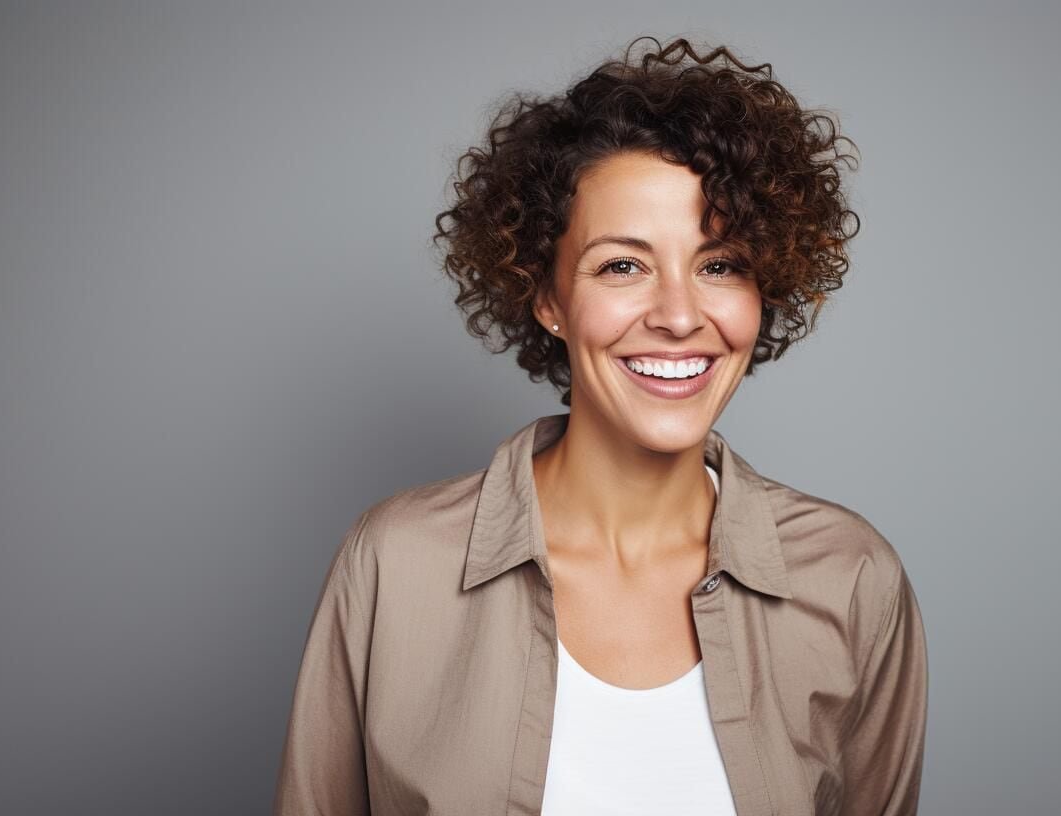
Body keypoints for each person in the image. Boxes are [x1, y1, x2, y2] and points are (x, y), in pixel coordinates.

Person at [274, 36, 927, 815]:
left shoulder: (851, 580)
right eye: (623, 265)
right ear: (546, 297)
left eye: (719, 264)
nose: (681, 316)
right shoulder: (395, 565)